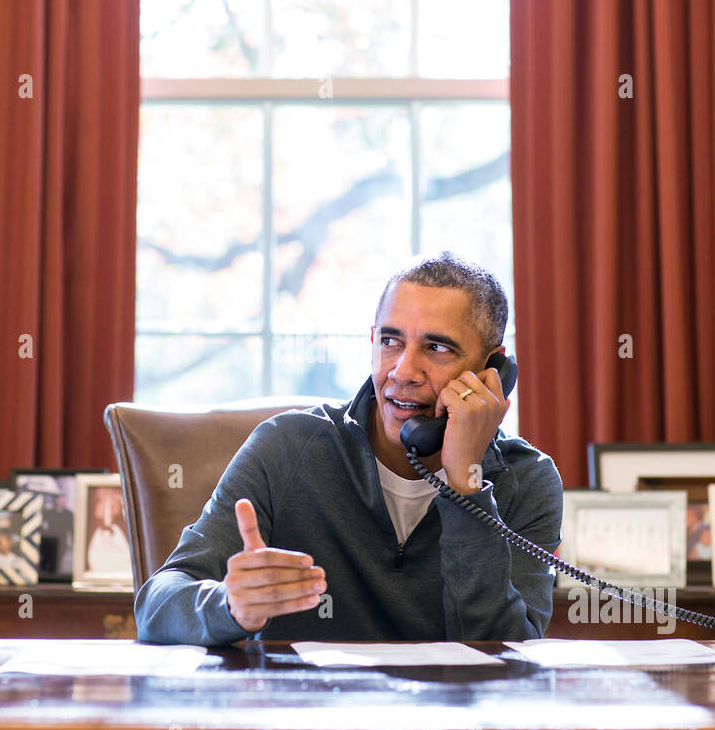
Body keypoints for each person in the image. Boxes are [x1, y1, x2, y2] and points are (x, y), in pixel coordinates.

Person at [135, 252, 564, 645]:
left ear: (492, 370)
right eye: (390, 341)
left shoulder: (527, 480)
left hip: (453, 727)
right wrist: (228, 605)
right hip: (304, 720)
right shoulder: (287, 447)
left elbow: (503, 653)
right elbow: (157, 606)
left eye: (436, 348)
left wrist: (465, 484)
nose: (402, 371)